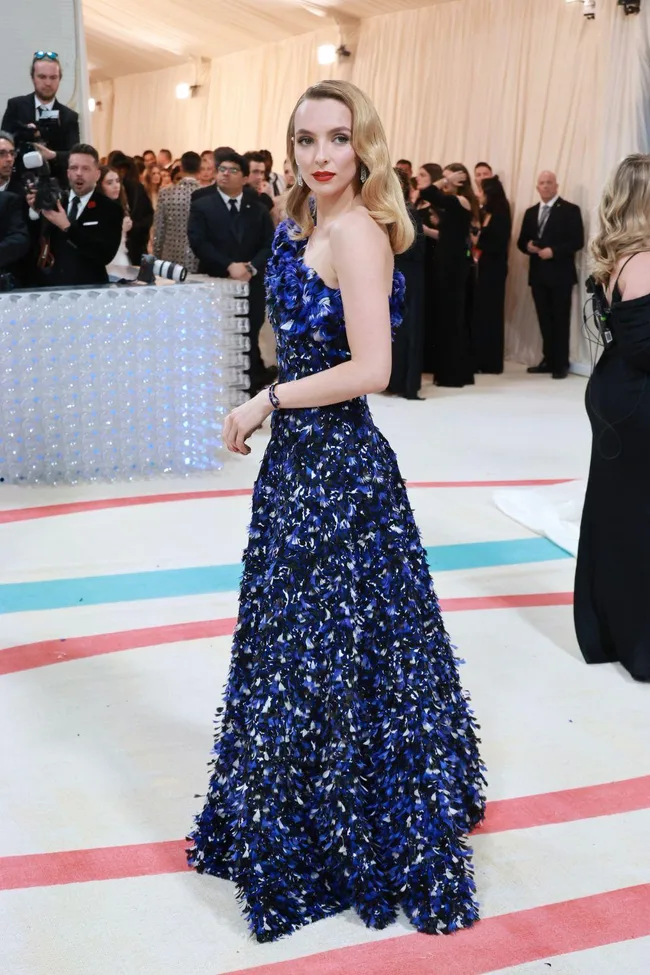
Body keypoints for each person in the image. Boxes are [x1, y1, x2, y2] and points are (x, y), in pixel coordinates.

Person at [187, 79, 485, 944]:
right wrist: (279, 358)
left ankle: (352, 823)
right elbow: (290, 335)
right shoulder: (302, 226)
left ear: (366, 148)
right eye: (307, 139)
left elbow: (373, 367)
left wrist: (266, 399)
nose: (321, 155)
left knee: (344, 648)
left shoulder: (357, 234)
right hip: (296, 472)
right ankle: (304, 808)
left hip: (341, 471)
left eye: (338, 139)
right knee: (298, 647)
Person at [574, 154, 650, 682]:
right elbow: (646, 347)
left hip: (619, 392)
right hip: (636, 396)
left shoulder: (624, 254)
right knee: (634, 522)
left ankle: (614, 632)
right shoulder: (643, 259)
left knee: (618, 514)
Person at [187, 151, 275, 393]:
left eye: (233, 170)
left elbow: (269, 243)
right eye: (222, 168)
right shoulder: (202, 204)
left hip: (251, 285)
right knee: (217, 341)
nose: (225, 173)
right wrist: (229, 265)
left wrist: (251, 267)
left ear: (245, 178)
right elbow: (199, 243)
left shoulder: (256, 208)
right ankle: (217, 395)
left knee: (248, 340)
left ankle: (247, 397)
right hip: (216, 282)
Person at [517, 171, 584, 379]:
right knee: (544, 320)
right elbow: (521, 241)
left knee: (560, 320)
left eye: (549, 183)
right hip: (538, 275)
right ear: (537, 187)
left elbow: (577, 241)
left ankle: (560, 364)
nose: (545, 186)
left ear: (556, 186)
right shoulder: (530, 212)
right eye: (542, 183)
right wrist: (527, 246)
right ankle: (548, 359)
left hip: (560, 274)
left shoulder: (570, 210)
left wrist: (553, 251)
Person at [30, 143, 123, 287]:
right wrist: (34, 212)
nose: (79, 173)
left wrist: (67, 227)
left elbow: (105, 255)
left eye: (85, 168)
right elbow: (38, 244)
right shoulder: (56, 202)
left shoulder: (110, 208)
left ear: (97, 174)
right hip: (55, 288)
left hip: (91, 289)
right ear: (68, 173)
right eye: (74, 168)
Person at [420, 164, 478, 386]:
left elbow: (427, 192)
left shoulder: (460, 201)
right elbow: (450, 234)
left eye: (448, 178)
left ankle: (453, 374)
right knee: (448, 318)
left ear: (459, 180)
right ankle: (452, 371)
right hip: (450, 263)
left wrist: (442, 181)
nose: (443, 182)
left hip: (453, 267)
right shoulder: (456, 204)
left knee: (452, 318)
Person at [1, 52, 80, 187]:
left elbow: (75, 155)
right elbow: (4, 141)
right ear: (33, 78)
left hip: (54, 188)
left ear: (59, 79)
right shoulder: (16, 106)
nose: (48, 83)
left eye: (53, 77)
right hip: (19, 185)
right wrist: (26, 133)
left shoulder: (69, 116)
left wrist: (53, 155)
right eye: (42, 77)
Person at [388, 168, 426, 399]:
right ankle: (395, 382)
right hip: (392, 274)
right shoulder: (386, 211)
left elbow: (414, 249)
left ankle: (408, 384)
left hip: (408, 275)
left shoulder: (409, 213)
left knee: (408, 329)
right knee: (394, 331)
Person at [472, 176, 512, 374]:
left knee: (492, 315)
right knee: (483, 315)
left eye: (481, 191)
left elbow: (497, 245)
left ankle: (492, 362)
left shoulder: (501, 215)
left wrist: (477, 241)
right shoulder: (486, 213)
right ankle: (481, 358)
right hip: (485, 268)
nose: (479, 194)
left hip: (494, 270)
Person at [153, 150, 201, 271]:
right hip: (198, 258)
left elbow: (159, 229)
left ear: (181, 167)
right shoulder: (207, 195)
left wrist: (157, 256)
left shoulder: (166, 193)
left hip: (169, 257)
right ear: (199, 168)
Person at [108, 151, 154, 265]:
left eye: (123, 170)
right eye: (118, 169)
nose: (120, 173)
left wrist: (136, 226)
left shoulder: (137, 189)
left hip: (136, 244)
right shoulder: (106, 190)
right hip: (115, 245)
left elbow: (149, 215)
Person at [98, 165, 131, 267]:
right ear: (100, 185)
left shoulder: (120, 205)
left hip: (120, 257)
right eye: (109, 183)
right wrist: (121, 229)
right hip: (106, 262)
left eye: (117, 181)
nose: (116, 186)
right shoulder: (98, 209)